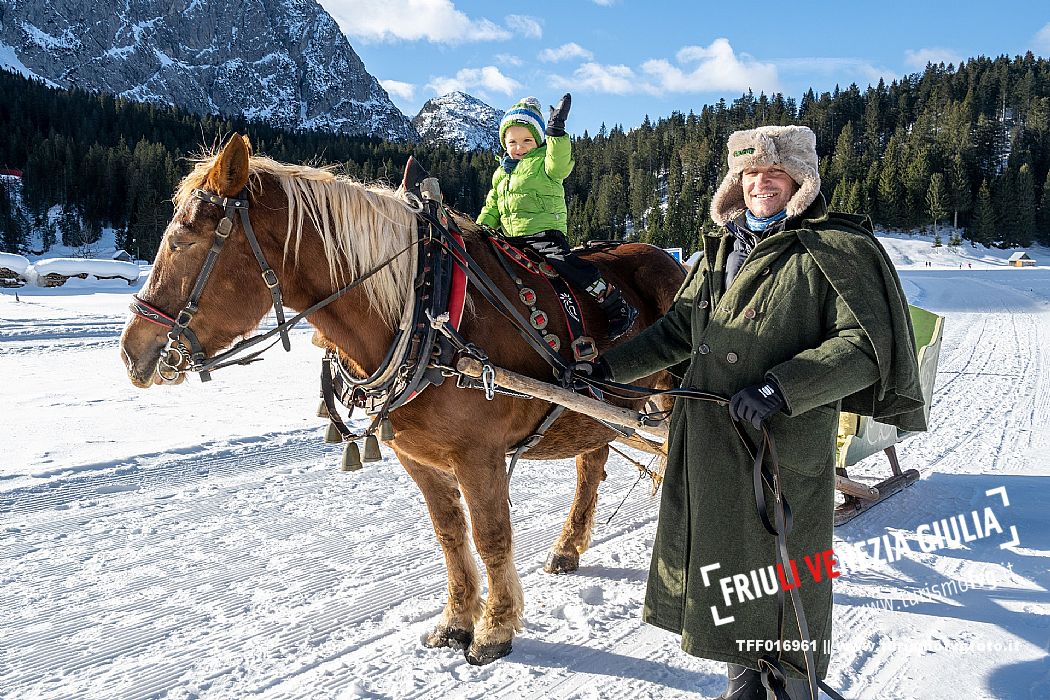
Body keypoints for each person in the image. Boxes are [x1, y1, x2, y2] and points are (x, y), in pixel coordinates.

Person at [577, 125, 926, 699]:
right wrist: (609, 368)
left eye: (775, 173)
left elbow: (862, 348)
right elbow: (676, 333)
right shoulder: (720, 248)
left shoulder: (833, 249)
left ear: (801, 181)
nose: (761, 184)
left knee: (790, 567)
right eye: (751, 174)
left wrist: (779, 390)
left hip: (781, 442)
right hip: (712, 438)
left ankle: (793, 682)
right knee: (724, 561)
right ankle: (742, 673)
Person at [476, 94, 637, 339]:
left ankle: (615, 304)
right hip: (511, 239)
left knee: (566, 265)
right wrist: (480, 232)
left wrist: (556, 132)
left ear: (539, 141)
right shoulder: (501, 173)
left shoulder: (545, 162)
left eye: (527, 140)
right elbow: (492, 207)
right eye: (512, 142)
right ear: (504, 143)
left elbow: (560, 163)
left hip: (544, 235)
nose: (519, 148)